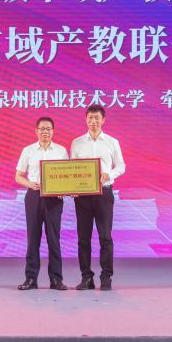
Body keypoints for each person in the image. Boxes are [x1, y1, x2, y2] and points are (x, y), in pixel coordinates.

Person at [70, 104, 125, 290]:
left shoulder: (112, 142)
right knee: (83, 238)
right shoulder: (77, 142)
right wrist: (72, 187)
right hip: (82, 196)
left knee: (105, 237)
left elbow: (121, 166)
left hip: (104, 194)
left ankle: (106, 276)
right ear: (85, 120)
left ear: (103, 120)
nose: (93, 121)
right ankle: (86, 277)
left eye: (97, 118)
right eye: (90, 118)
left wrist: (109, 174)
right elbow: (72, 168)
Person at [14, 116, 69, 291]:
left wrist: (63, 189)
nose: (45, 132)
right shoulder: (28, 150)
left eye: (48, 129)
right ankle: (31, 279)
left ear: (53, 131)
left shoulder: (61, 151)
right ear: (36, 131)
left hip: (54, 199)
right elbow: (18, 176)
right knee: (33, 238)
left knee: (54, 239)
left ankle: (56, 279)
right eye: (42, 129)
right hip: (34, 196)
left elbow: (66, 176)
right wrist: (30, 184)